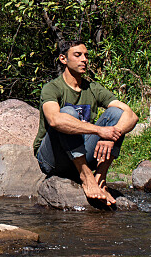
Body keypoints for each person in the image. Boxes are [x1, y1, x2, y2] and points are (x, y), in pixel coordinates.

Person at [34, 38, 139, 205]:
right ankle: (86, 176)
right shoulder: (52, 88)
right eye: (78, 55)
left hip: (84, 152)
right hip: (53, 159)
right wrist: (99, 131)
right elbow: (55, 120)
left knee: (117, 113)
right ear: (63, 59)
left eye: (86, 55)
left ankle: (100, 178)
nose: (84, 60)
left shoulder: (93, 88)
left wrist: (112, 134)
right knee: (67, 113)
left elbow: (131, 115)